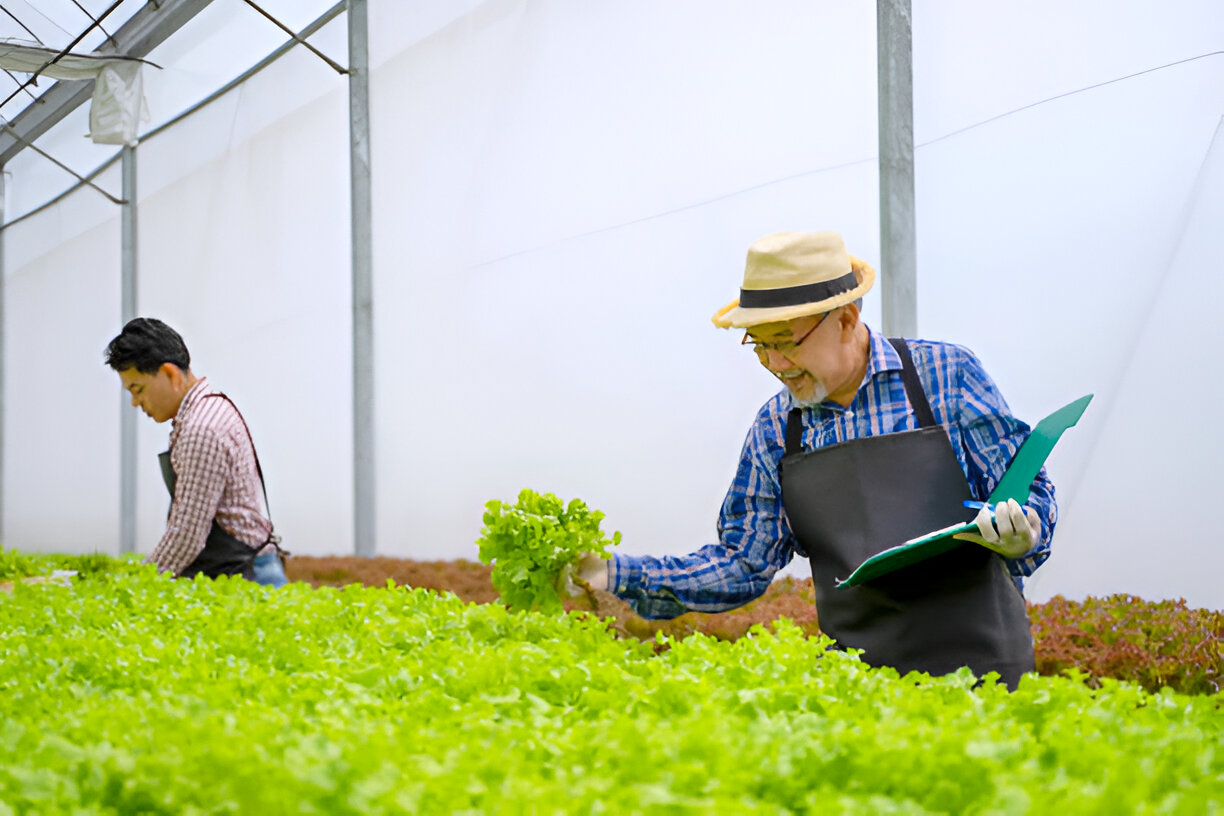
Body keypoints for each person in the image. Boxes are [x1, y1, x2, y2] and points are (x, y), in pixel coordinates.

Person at [567, 231, 1055, 688]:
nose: (776, 364)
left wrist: (1023, 534)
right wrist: (614, 574)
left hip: (986, 673)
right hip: (856, 684)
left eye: (785, 341)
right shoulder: (776, 430)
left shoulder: (946, 375)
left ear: (845, 320)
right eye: (760, 345)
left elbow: (1027, 488)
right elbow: (741, 563)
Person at [105, 317, 288, 587]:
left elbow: (187, 535)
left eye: (138, 389)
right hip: (244, 568)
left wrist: (137, 586)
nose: (135, 402)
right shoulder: (206, 412)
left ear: (169, 373)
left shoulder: (201, 428)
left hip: (248, 577)